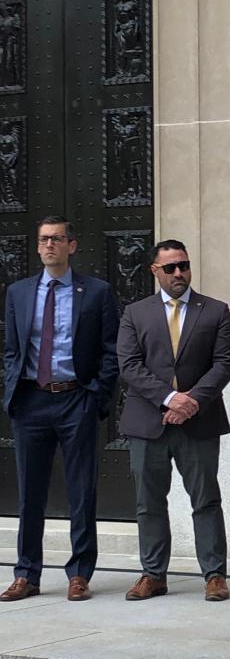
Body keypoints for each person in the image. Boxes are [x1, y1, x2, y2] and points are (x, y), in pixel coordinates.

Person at [1, 215, 119, 601]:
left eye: (58, 239)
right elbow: (12, 349)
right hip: (31, 399)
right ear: (37, 246)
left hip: (75, 398)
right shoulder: (18, 292)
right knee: (29, 491)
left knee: (81, 489)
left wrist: (95, 394)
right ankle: (26, 573)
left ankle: (80, 572)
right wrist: (12, 387)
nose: (50, 245)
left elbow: (110, 349)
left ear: (72, 245)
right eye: (44, 240)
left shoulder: (97, 292)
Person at [117, 240, 230, 602]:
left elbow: (224, 364)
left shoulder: (215, 310)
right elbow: (129, 364)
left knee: (205, 499)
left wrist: (191, 402)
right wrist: (170, 399)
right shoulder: (135, 313)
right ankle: (153, 574)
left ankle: (214, 575)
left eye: (183, 265)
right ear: (155, 271)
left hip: (199, 423)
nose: (178, 273)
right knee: (148, 502)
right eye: (169, 268)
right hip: (148, 423)